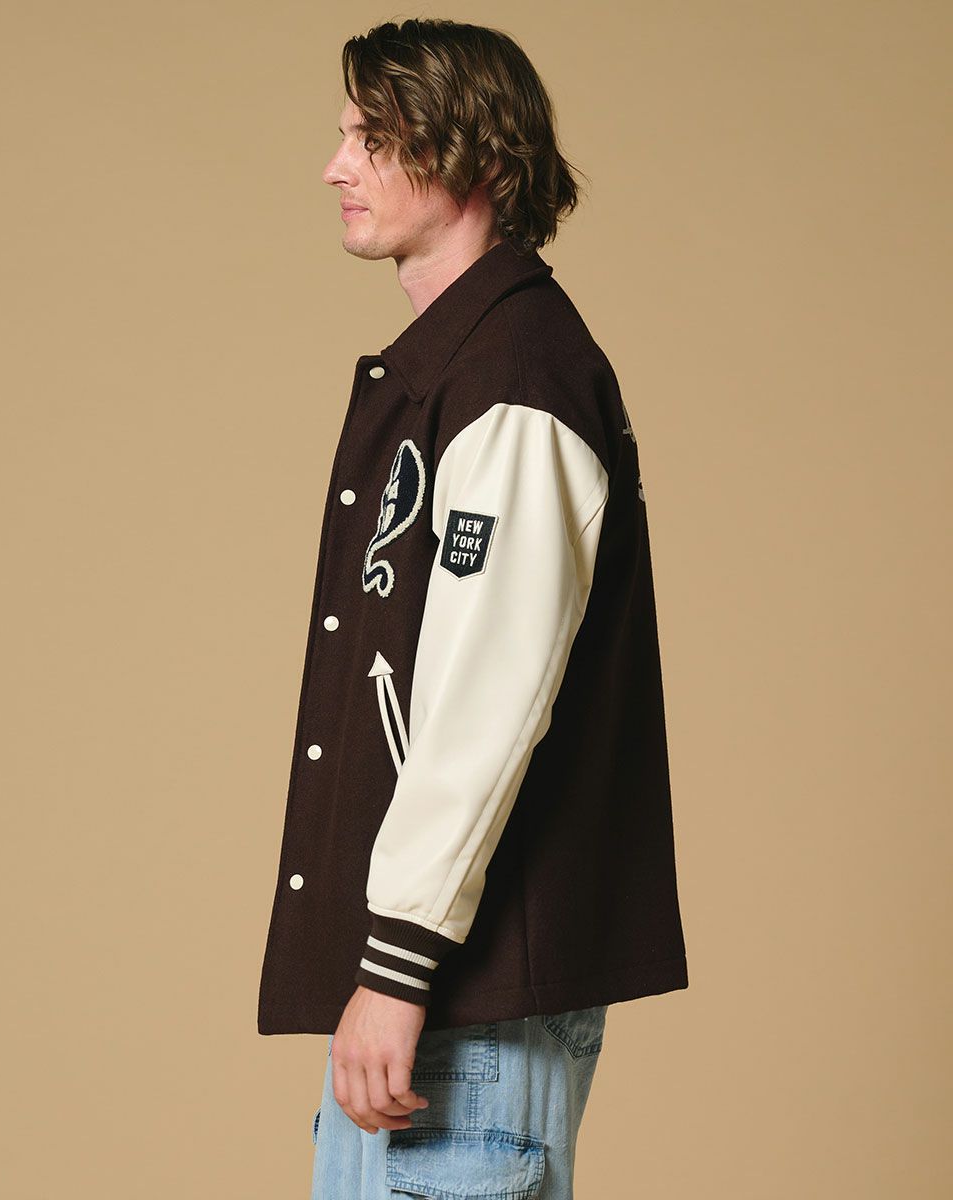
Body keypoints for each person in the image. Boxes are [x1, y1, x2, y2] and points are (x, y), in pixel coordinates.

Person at [256, 18, 689, 1198]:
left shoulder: (515, 379)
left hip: (464, 1002)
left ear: (475, 157)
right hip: (431, 991)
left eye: (370, 137)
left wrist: (396, 966)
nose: (335, 167)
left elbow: (487, 696)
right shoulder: (459, 369)